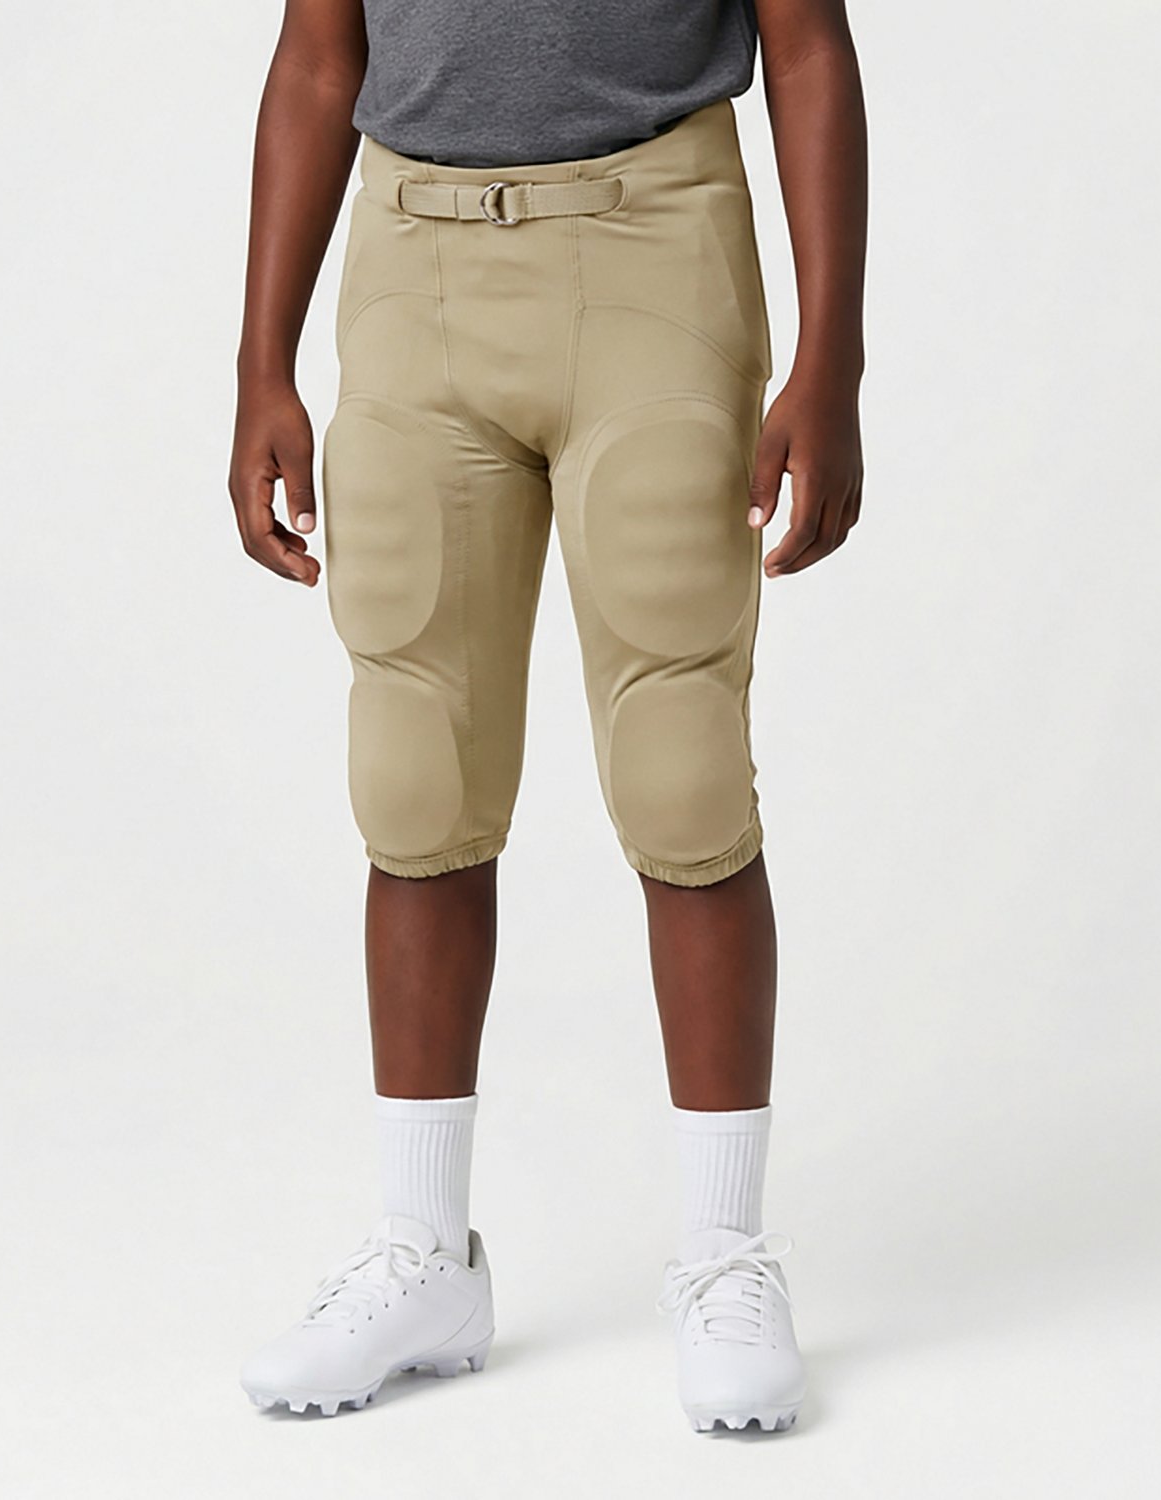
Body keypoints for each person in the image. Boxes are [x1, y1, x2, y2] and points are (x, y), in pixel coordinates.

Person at [228, 0, 866, 1433]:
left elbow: (808, 42)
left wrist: (833, 355)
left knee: (683, 769)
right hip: (411, 266)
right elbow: (320, 55)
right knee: (414, 772)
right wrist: (262, 360)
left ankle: (725, 1255)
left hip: (657, 248)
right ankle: (422, 1254)